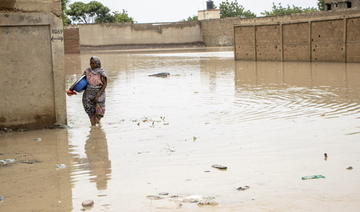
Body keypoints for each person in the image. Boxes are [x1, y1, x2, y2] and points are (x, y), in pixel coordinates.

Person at [67, 56, 107, 126]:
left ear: (98, 64)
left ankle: (97, 121)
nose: (92, 65)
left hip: (99, 92)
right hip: (88, 94)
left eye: (94, 63)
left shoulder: (101, 72)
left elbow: (105, 84)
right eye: (91, 63)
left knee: (100, 111)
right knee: (90, 110)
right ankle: (93, 128)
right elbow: (80, 80)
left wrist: (98, 94)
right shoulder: (87, 71)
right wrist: (71, 88)